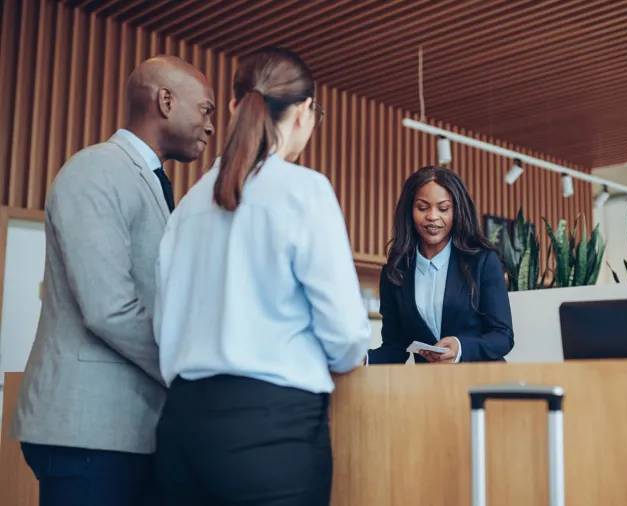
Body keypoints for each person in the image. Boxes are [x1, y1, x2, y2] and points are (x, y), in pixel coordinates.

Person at [152, 46, 370, 506]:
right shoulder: (303, 191)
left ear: (233, 107)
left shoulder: (188, 204)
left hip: (181, 426)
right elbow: (348, 333)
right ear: (306, 113)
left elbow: (163, 325)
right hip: (272, 429)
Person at [11, 56, 215, 505]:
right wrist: (189, 370)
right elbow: (108, 307)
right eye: (205, 109)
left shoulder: (150, 182)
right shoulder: (97, 170)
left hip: (128, 432)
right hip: (88, 431)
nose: (210, 126)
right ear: (165, 100)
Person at [366, 165, 514, 365]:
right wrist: (363, 359)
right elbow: (394, 349)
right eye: (422, 207)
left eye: (443, 208)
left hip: (482, 382)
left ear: (457, 212)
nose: (433, 216)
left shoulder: (483, 261)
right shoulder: (395, 273)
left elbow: (503, 337)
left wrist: (460, 347)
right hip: (431, 386)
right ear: (410, 211)